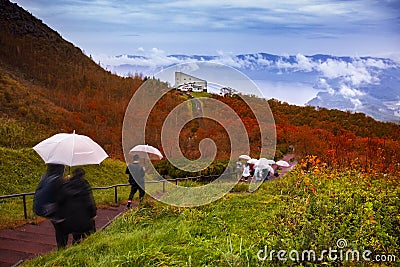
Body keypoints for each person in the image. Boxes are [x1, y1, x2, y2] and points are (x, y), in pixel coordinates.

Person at [60, 168, 97, 245]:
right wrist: (93, 214)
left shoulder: (67, 185)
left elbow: (62, 200)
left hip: (72, 218)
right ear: (83, 175)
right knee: (88, 238)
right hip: (85, 217)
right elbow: (89, 201)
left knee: (76, 238)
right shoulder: (84, 184)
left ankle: (74, 251)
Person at [35, 163, 67, 249]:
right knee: (62, 230)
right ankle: (62, 249)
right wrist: (65, 183)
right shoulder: (58, 180)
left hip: (45, 208)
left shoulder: (45, 177)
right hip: (54, 210)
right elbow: (62, 197)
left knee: (59, 229)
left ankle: (61, 247)